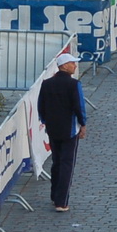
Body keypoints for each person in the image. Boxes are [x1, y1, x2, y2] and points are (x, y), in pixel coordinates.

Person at [38, 51, 88, 211]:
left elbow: (41, 107)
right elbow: (79, 106)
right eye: (72, 63)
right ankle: (62, 201)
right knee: (67, 164)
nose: (75, 65)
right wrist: (83, 124)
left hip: (52, 128)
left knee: (56, 162)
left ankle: (54, 195)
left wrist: (46, 122)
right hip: (69, 129)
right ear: (64, 66)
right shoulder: (74, 84)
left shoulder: (46, 84)